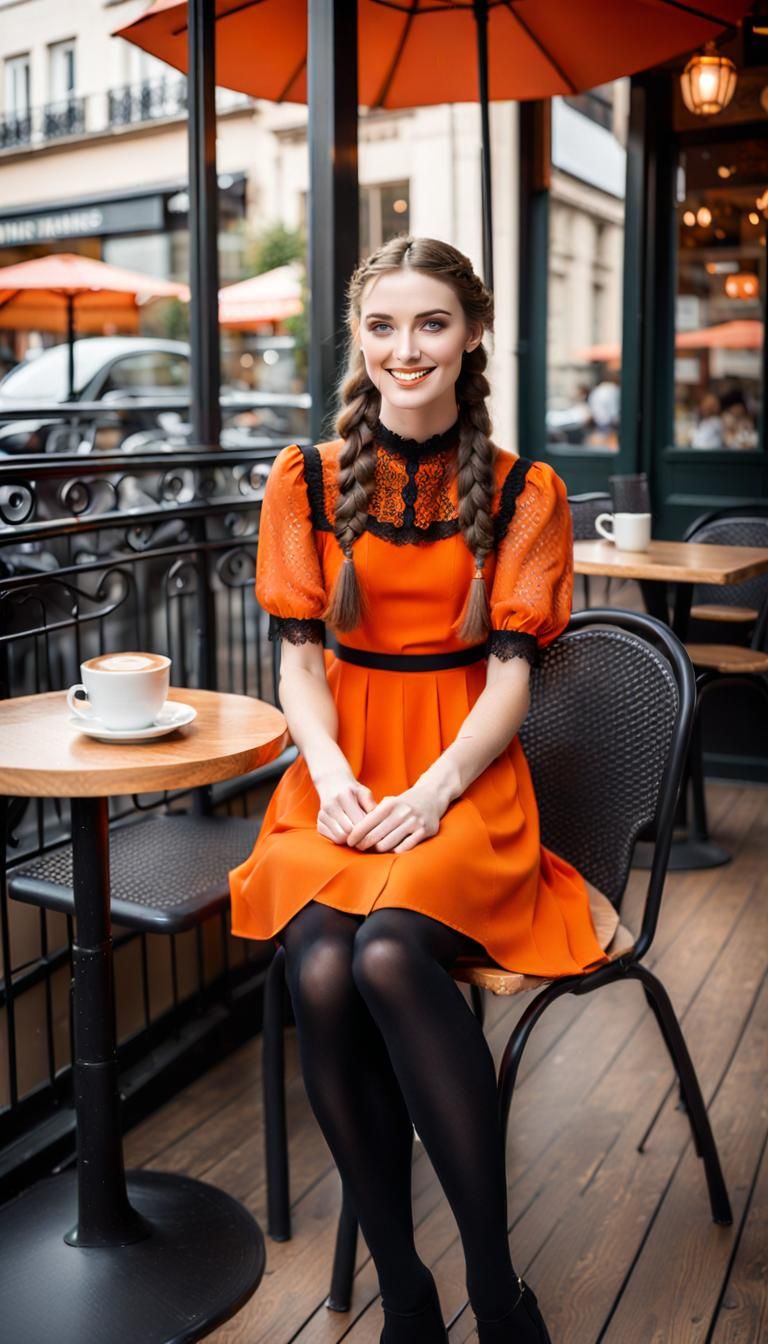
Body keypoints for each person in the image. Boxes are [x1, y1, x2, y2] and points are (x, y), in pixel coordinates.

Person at [229, 237, 616, 1344]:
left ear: (473, 333)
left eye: (433, 324)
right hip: (341, 772)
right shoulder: (303, 479)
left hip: (466, 775)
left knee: (390, 953)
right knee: (319, 963)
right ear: (359, 336)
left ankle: (496, 1290)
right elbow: (300, 665)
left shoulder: (526, 489)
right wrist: (330, 772)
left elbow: (512, 678)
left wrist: (439, 789)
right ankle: (406, 1292)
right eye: (384, 326)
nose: (407, 349)